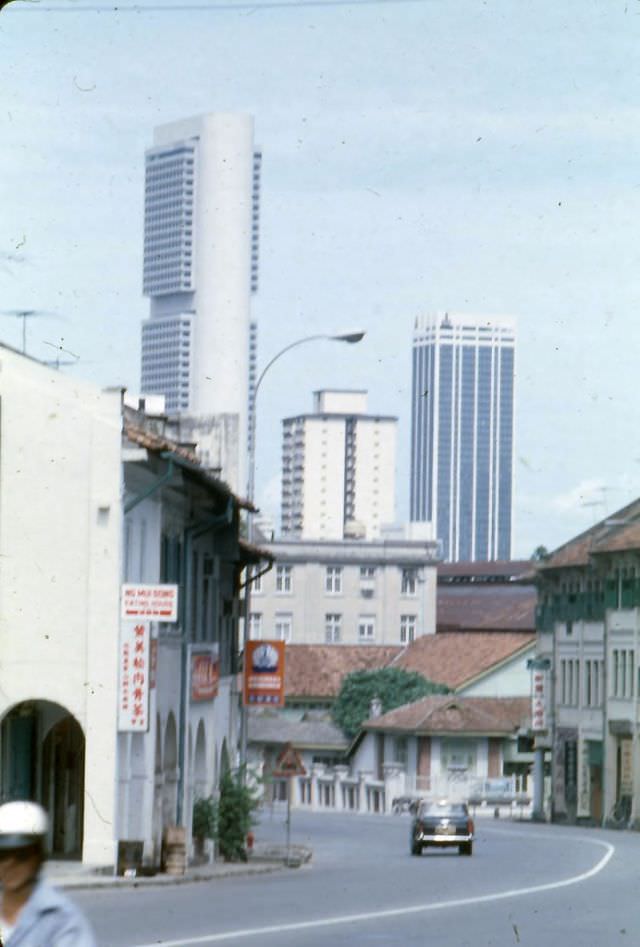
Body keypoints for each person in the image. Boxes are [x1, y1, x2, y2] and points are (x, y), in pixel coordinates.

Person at [0, 800, 97, 946]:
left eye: (22, 855)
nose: (10, 864)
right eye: (3, 855)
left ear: (39, 857)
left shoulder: (62, 920)